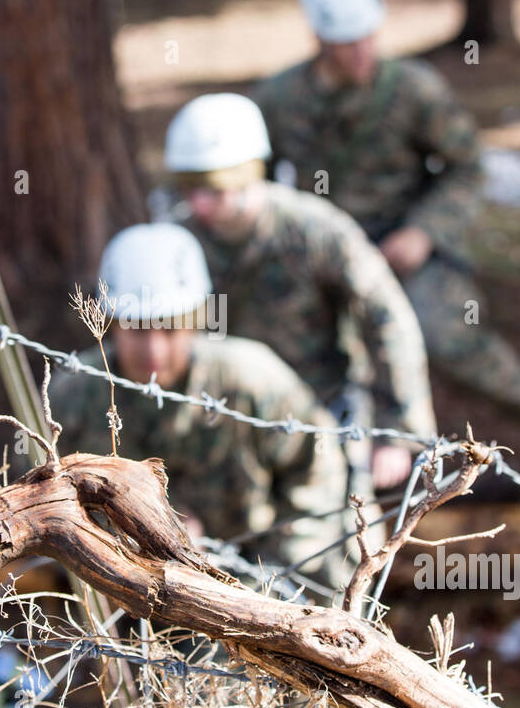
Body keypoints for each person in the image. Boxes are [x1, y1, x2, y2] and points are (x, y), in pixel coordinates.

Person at [250, 0, 520, 502]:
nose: (361, 51)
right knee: (302, 355)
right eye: (346, 41)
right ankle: (324, 483)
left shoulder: (413, 91)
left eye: (368, 36)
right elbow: (257, 186)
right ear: (319, 36)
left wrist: (424, 232)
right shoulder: (279, 100)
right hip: (329, 255)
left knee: (445, 336)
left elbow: (467, 166)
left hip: (405, 245)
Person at [157, 92, 436, 503]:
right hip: (223, 420)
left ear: (250, 174)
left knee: (346, 543)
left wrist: (397, 430)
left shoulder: (316, 231)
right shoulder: (177, 241)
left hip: (320, 415)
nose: (199, 204)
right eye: (189, 188)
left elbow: (387, 319)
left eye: (214, 189)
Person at [50, 223, 352, 584]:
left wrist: (278, 570)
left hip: (253, 574)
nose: (154, 351)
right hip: (123, 583)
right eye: (137, 329)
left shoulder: (252, 380)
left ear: (194, 322)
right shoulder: (73, 397)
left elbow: (317, 468)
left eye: (169, 330)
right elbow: (48, 505)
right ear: (111, 323)